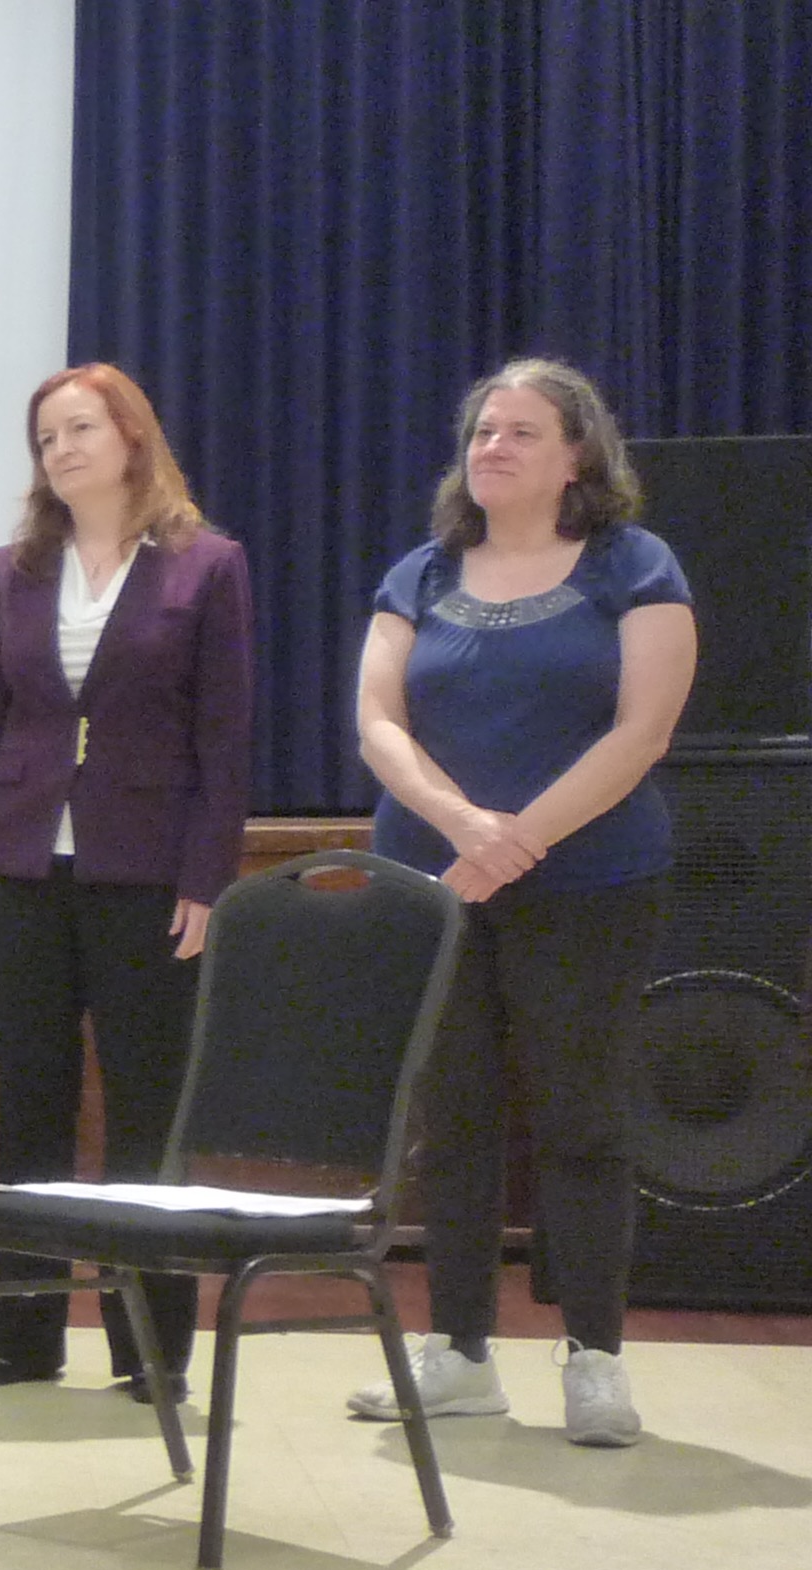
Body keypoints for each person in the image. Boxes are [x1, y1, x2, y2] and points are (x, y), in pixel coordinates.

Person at [350, 358, 693, 1448]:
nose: (491, 447)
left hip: (590, 886)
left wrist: (521, 838)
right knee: (449, 1123)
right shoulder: (421, 574)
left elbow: (642, 732)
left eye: (521, 432)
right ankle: (457, 1352)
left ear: (577, 455)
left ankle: (594, 1356)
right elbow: (378, 722)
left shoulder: (633, 567)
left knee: (580, 1122)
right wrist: (465, 828)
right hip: (438, 882)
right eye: (483, 431)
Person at [0, 365, 253, 1398]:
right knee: (28, 1102)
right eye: (46, 438)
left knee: (145, 1113)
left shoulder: (206, 566)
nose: (62, 449)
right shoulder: (11, 570)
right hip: (24, 863)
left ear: (131, 436)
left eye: (81, 428)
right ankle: (20, 1337)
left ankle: (150, 1349)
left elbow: (225, 739)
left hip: (148, 871)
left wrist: (208, 877)